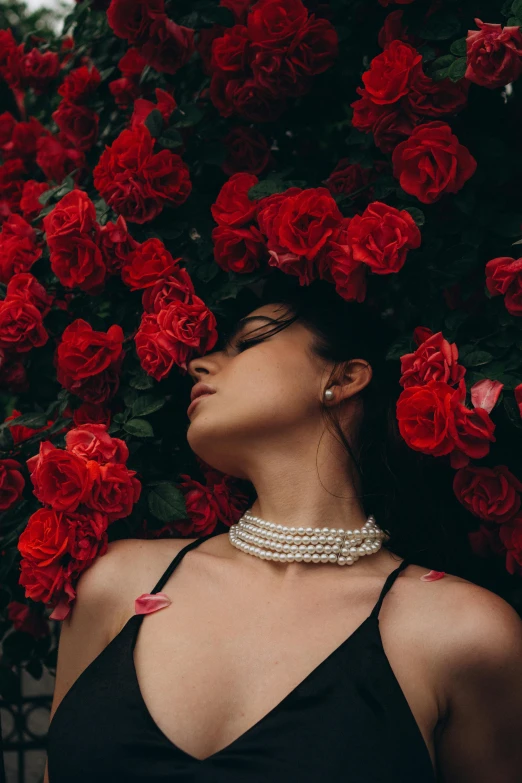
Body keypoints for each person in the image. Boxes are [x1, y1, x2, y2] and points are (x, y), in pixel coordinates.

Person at [45, 279, 522, 782]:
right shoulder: (114, 584)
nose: (199, 364)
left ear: (345, 378)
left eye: (248, 344)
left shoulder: (462, 634)